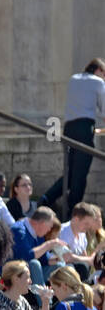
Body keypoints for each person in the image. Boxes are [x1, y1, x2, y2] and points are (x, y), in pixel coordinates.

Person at [39, 58, 105, 216]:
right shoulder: (98, 82)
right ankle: (73, 211)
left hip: (69, 129)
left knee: (70, 172)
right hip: (84, 128)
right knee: (80, 174)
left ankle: (47, 197)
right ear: (99, 70)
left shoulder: (73, 79)